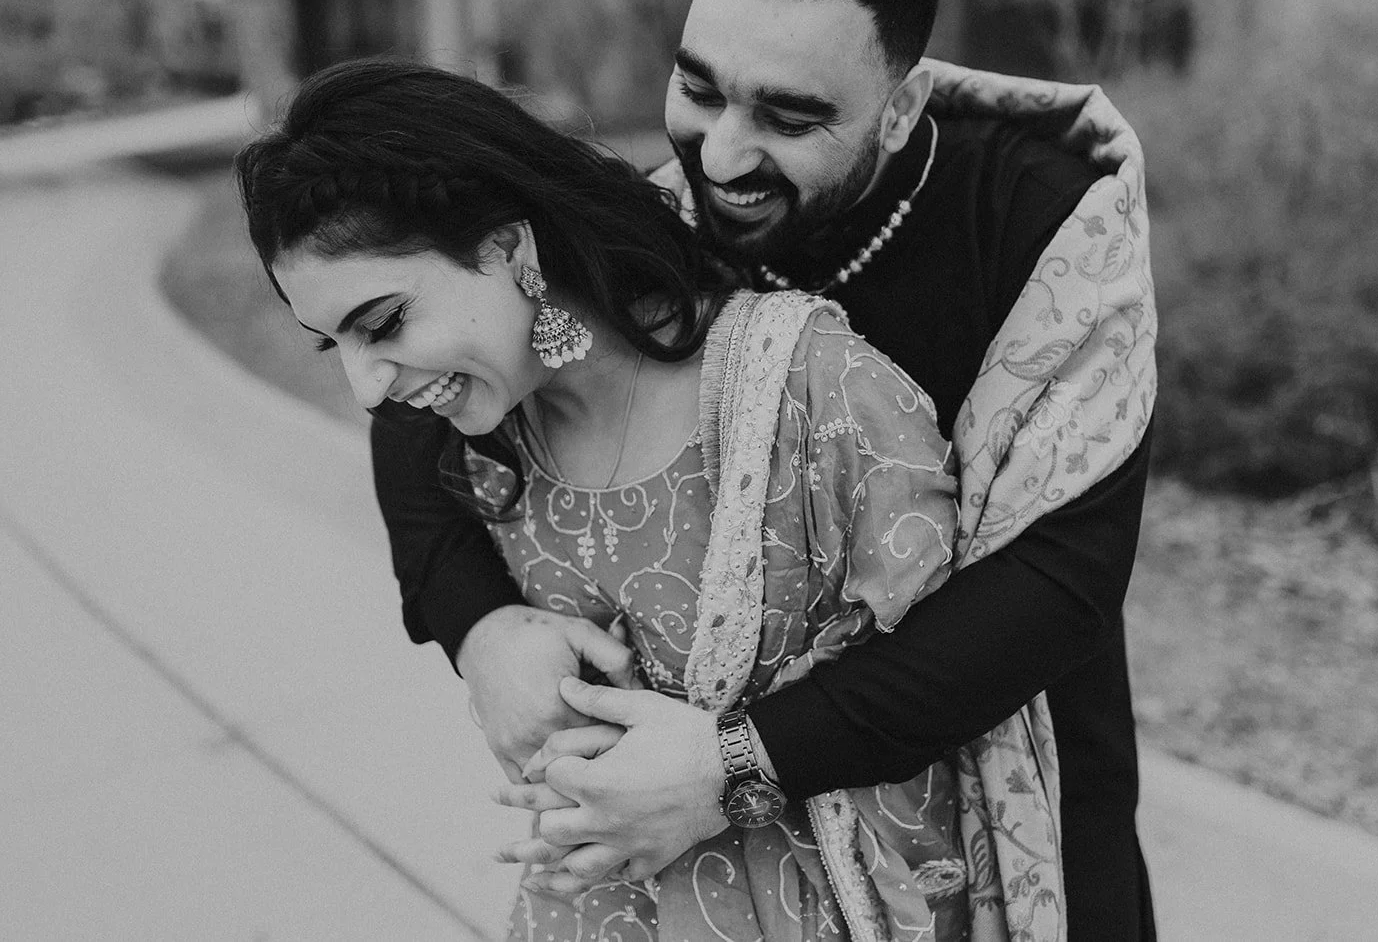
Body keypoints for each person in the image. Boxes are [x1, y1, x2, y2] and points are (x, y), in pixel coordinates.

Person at [378, 0, 1158, 938]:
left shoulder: (1050, 224)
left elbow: (1058, 586)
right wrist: (482, 628)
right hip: (715, 863)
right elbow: (415, 392)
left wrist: (734, 761)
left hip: (1002, 761)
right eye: (699, 89)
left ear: (899, 107)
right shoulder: (645, 219)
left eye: (789, 117)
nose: (722, 155)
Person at [236, 58, 1071, 940]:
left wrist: (733, 770)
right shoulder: (475, 429)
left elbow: (960, 678)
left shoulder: (810, 390)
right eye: (334, 345)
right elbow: (407, 467)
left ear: (510, 250)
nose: (367, 388)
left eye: (384, 322)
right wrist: (483, 634)